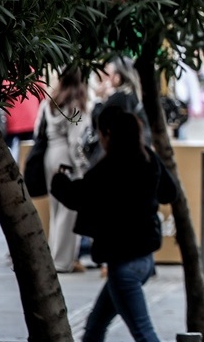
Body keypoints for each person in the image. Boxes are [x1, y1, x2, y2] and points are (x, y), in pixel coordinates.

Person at [50, 105, 177, 342]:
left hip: (123, 265)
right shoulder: (149, 159)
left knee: (143, 332)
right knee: (95, 326)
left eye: (100, 135)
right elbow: (170, 193)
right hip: (145, 260)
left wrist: (59, 180)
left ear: (108, 134)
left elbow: (76, 196)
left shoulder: (109, 169)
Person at [43, 67, 91, 273]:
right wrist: (83, 168)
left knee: (55, 209)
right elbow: (76, 142)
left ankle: (55, 254)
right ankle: (62, 260)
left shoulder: (51, 102)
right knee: (68, 210)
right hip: (66, 159)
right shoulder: (75, 106)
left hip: (50, 154)